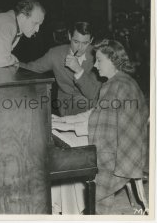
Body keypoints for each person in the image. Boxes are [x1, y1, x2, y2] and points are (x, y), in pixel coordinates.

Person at [52, 39, 149, 214]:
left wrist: (63, 127)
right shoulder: (123, 81)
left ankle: (76, 211)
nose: (95, 66)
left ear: (113, 60)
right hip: (132, 150)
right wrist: (61, 122)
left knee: (70, 162)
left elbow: (98, 128)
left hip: (120, 156)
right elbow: (95, 114)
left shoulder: (114, 86)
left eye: (99, 60)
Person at [19, 21, 102, 116]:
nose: (79, 47)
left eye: (85, 43)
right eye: (76, 42)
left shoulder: (98, 56)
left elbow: (93, 94)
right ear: (69, 36)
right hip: (68, 101)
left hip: (93, 99)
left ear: (91, 40)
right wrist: (13, 62)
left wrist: (79, 70)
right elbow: (31, 68)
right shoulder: (55, 54)